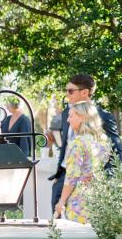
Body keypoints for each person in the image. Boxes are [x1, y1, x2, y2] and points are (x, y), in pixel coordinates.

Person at [50, 74, 121, 209]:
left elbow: (117, 150)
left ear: (84, 92)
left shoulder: (104, 116)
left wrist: (100, 176)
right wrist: (58, 175)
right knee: (57, 223)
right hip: (64, 177)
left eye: (71, 91)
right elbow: (65, 146)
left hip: (88, 183)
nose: (67, 94)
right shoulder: (66, 114)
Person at [55, 101, 114, 223]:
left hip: (79, 202)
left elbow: (71, 177)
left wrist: (61, 201)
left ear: (83, 117)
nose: (68, 120)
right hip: (99, 197)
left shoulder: (78, 142)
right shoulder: (104, 141)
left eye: (71, 116)